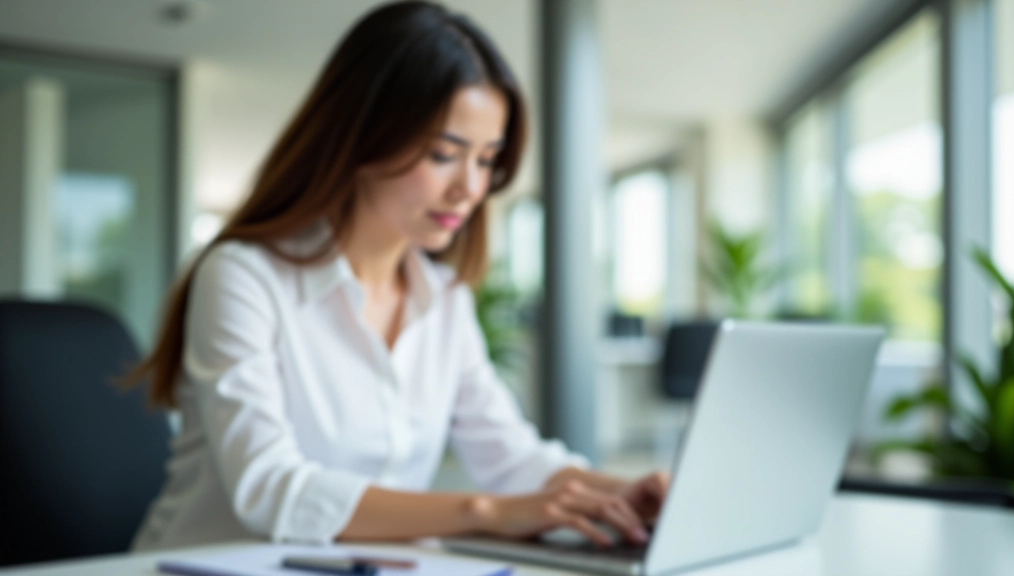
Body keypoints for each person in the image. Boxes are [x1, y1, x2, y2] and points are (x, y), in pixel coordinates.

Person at [129, 0, 667, 552]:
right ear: (365, 137)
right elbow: (268, 487)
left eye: (486, 160)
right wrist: (483, 512)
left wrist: (626, 492)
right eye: (443, 154)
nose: (470, 188)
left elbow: (510, 457)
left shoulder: (445, 301)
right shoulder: (244, 277)